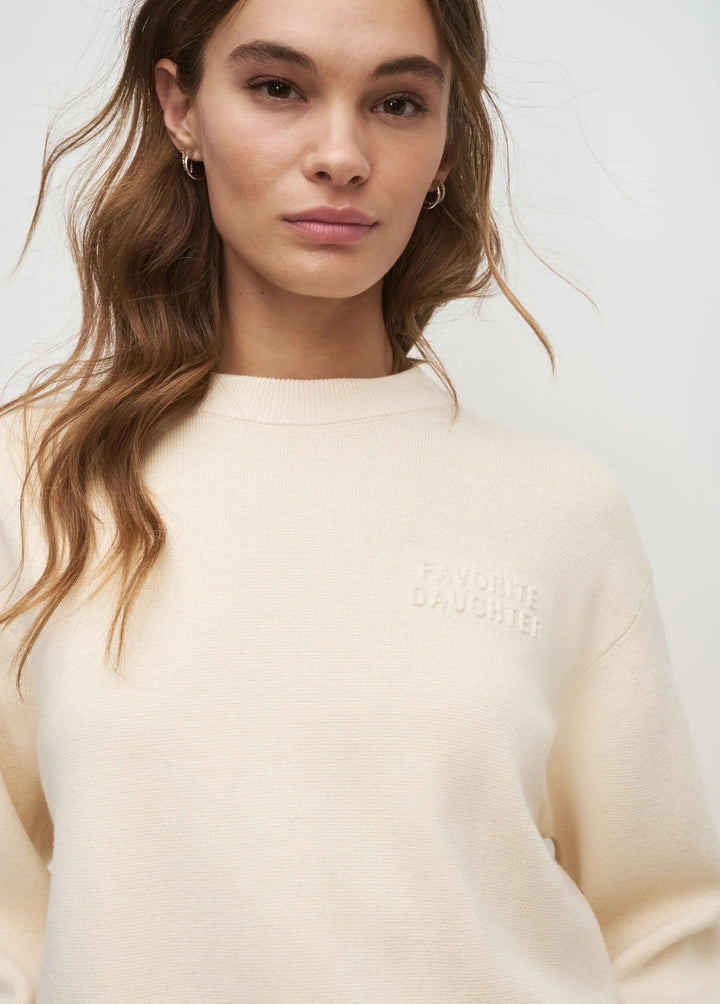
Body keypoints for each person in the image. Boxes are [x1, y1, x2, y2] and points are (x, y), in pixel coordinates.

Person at [1, 0, 719, 1000]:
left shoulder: (559, 510)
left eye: (396, 102)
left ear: (447, 141)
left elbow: (666, 930)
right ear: (181, 108)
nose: (341, 155)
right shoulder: (39, 481)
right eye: (278, 87)